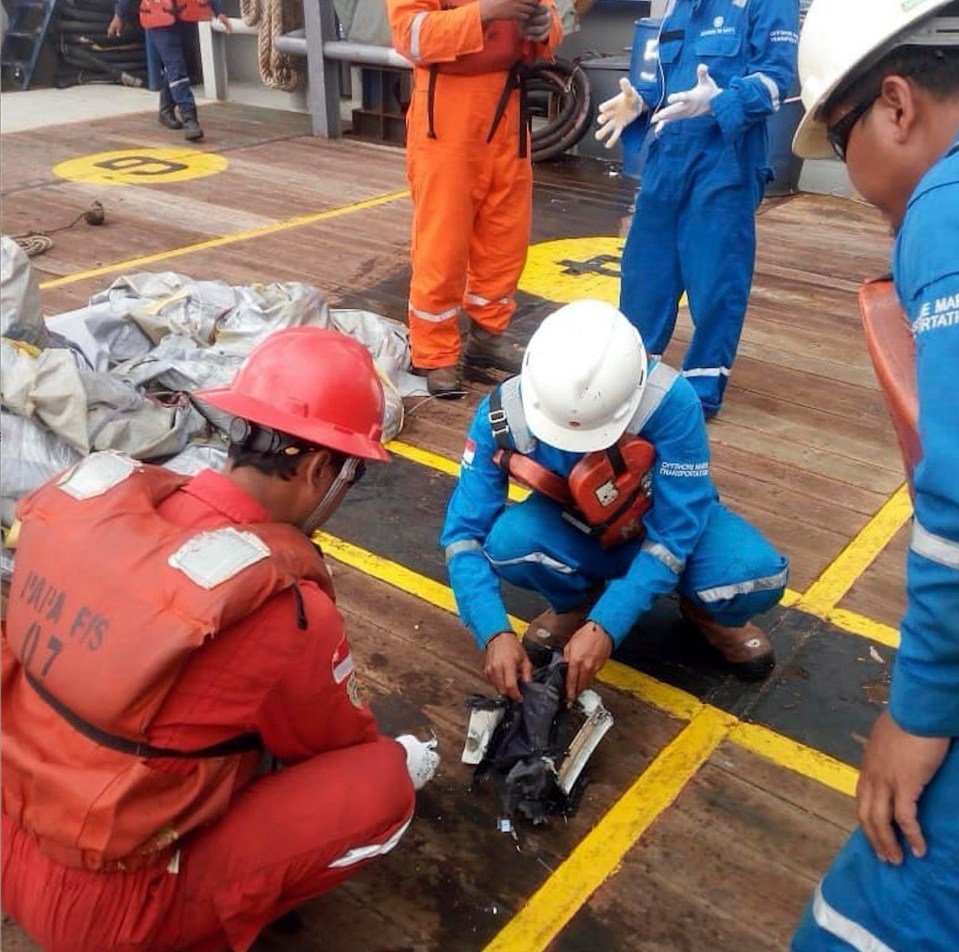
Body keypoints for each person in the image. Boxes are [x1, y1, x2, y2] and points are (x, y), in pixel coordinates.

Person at [1, 327, 439, 952]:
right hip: (107, 914)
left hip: (11, 832)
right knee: (382, 782)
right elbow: (334, 747)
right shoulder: (285, 611)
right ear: (320, 468)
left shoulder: (103, 507)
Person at [789, 1, 959, 948]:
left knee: (858, 924)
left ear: (894, 104)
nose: (847, 173)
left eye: (837, 137)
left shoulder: (944, 209)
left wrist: (919, 708)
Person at [440, 299, 789, 703]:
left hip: (663, 525)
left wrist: (608, 624)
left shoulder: (671, 402)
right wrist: (493, 631)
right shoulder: (500, 417)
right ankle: (577, 603)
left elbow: (676, 532)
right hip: (580, 532)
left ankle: (704, 612)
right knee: (509, 544)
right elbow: (464, 535)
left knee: (754, 575)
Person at [595, 0, 799, 419]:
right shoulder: (681, 5)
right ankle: (631, 372)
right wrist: (642, 103)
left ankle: (701, 389)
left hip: (725, 160)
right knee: (644, 272)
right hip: (666, 159)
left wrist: (722, 99)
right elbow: (672, 85)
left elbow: (779, 79)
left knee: (715, 278)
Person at [386, 0, 563, 398]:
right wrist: (484, 12)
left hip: (508, 113)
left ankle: (488, 336)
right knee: (442, 244)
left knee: (506, 238)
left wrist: (543, 27)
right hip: (446, 118)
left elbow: (550, 19)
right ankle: (434, 353)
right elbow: (410, 35)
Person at [108, 0, 233, 141]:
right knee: (176, 66)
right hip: (158, 19)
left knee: (179, 64)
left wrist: (219, 10)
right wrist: (119, 14)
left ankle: (166, 109)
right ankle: (190, 118)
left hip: (186, 15)